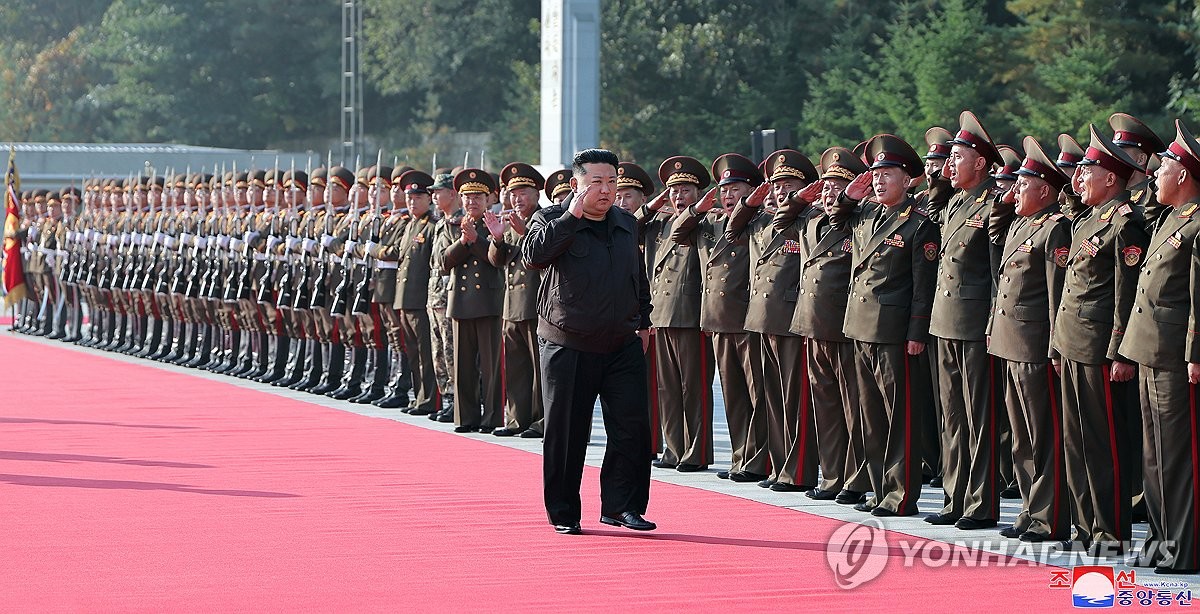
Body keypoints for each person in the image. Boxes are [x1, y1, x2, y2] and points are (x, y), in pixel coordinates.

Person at [522, 148, 654, 535]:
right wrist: (570, 217)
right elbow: (534, 255)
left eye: (611, 181)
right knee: (567, 431)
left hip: (621, 342)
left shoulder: (626, 224)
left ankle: (622, 506)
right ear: (576, 183)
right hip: (568, 343)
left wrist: (644, 320)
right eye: (596, 181)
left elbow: (637, 275)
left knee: (632, 429)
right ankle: (563, 511)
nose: (605, 189)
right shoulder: (550, 219)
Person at [1052, 124, 1150, 558]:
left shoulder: (1126, 224)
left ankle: (1111, 530)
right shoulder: (1086, 221)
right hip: (1071, 343)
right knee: (1076, 439)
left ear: (1111, 178)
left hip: (1098, 349)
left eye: (1087, 170)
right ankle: (1085, 522)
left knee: (1104, 441)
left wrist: (1118, 351)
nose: (1078, 178)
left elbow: (1126, 295)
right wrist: (1056, 343)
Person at [831, 134, 938, 517]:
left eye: (887, 174)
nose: (878, 181)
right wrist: (848, 196)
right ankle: (878, 489)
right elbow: (835, 218)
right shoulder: (866, 214)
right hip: (858, 326)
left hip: (893, 331)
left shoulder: (918, 225)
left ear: (908, 180)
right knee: (871, 415)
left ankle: (900, 494)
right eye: (875, 175)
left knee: (899, 416)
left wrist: (916, 333)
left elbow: (923, 286)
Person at [1118, 119, 1200, 574]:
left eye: (1165, 164)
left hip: (1174, 355)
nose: (1155, 173)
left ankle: (1184, 547)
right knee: (1153, 455)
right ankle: (1161, 538)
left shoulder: (1197, 223)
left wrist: (1195, 353)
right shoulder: (1170, 218)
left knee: (1177, 455)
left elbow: (1197, 296)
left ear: (1184, 174)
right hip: (1148, 348)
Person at [987, 136, 1072, 543]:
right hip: (1010, 342)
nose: (1013, 190)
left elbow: (1058, 296)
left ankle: (1049, 515)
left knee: (1042, 434)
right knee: (1020, 435)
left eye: (1023, 184)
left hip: (1035, 343)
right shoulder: (1021, 223)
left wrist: (1054, 347)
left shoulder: (1055, 229)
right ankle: (1028, 508)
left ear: (1045, 190)